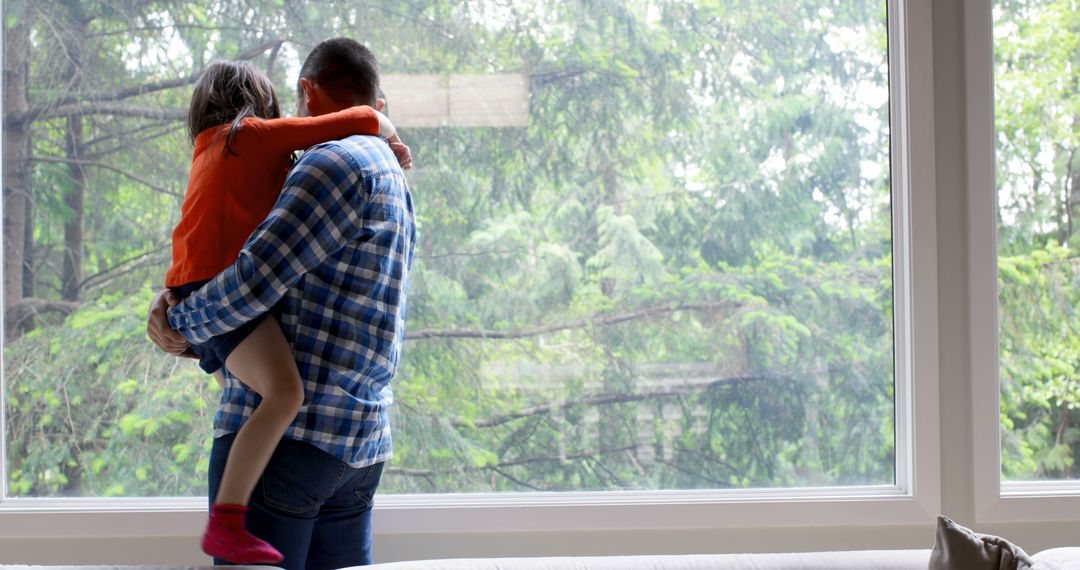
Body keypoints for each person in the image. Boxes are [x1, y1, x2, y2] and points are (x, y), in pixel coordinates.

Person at [148, 39, 416, 569]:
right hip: (356, 445)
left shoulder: (330, 164)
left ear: (307, 93)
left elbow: (251, 282)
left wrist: (174, 321)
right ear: (376, 103)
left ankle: (224, 524)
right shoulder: (394, 182)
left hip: (291, 448)